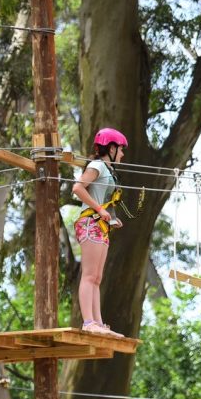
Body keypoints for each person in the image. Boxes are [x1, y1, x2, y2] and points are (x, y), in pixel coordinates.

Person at [72, 127, 128, 337]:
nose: (122, 154)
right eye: (120, 149)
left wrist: (110, 218)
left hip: (100, 225)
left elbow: (100, 199)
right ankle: (89, 322)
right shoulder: (97, 165)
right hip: (90, 223)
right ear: (111, 148)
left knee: (96, 277)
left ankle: (98, 323)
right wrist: (100, 210)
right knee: (89, 275)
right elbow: (78, 188)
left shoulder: (108, 169)